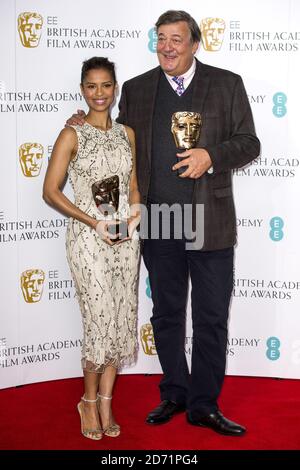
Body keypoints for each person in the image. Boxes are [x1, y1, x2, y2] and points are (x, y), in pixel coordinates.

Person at [66, 10, 260, 436]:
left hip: (208, 220)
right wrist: (79, 123)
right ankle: (174, 392)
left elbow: (249, 142)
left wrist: (212, 157)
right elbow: (112, 132)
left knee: (210, 317)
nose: (167, 47)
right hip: (158, 219)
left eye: (177, 39)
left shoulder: (227, 84)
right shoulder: (136, 89)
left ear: (194, 43)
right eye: (161, 39)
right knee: (167, 314)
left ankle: (204, 404)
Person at [43, 57, 141, 440]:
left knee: (119, 319)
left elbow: (133, 184)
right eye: (91, 86)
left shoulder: (126, 134)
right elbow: (50, 192)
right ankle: (86, 401)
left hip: (124, 236)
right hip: (89, 237)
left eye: (106, 85)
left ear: (115, 88)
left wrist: (133, 212)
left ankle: (105, 401)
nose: (99, 93)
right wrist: (93, 222)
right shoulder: (72, 134)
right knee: (98, 320)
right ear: (82, 89)